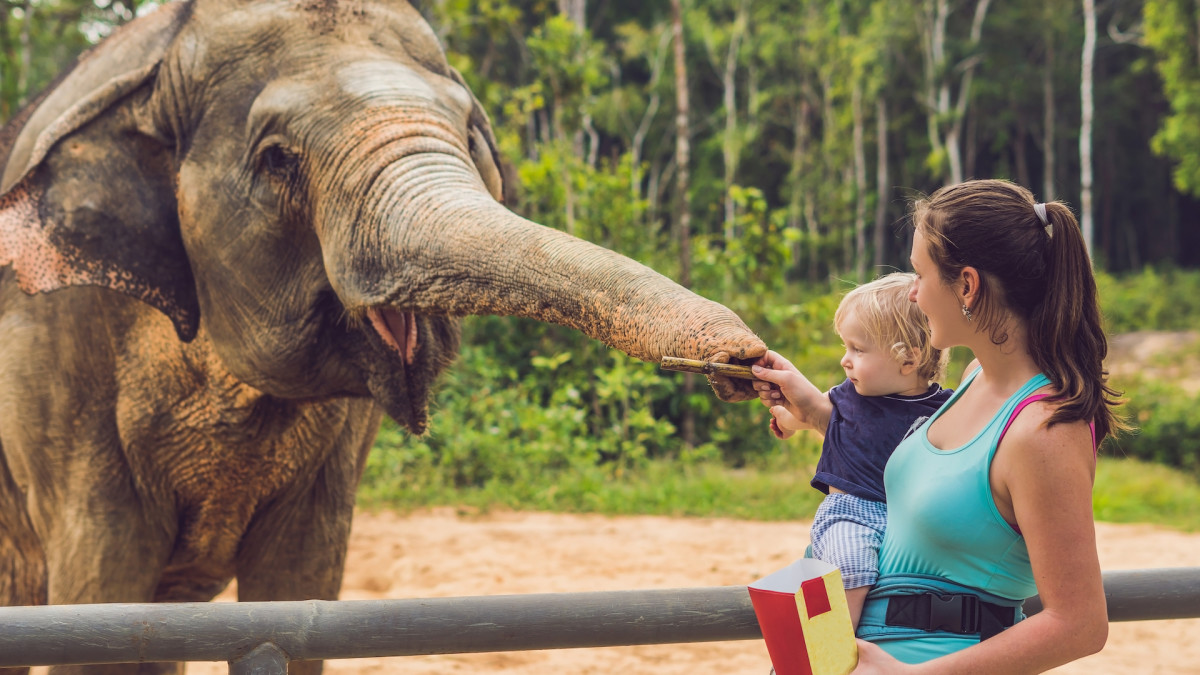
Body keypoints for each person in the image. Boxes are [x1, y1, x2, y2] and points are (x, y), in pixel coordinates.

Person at [764, 179, 1124, 673]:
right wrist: (813, 413)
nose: (912, 295)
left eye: (919, 274)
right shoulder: (975, 380)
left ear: (967, 285)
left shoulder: (1043, 429)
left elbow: (1079, 624)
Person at [752, 272, 953, 629]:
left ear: (908, 360)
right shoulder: (848, 396)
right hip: (852, 513)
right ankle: (838, 648)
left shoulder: (946, 409)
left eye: (858, 350)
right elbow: (808, 412)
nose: (845, 360)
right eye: (847, 347)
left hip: (907, 519)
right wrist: (784, 419)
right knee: (852, 566)